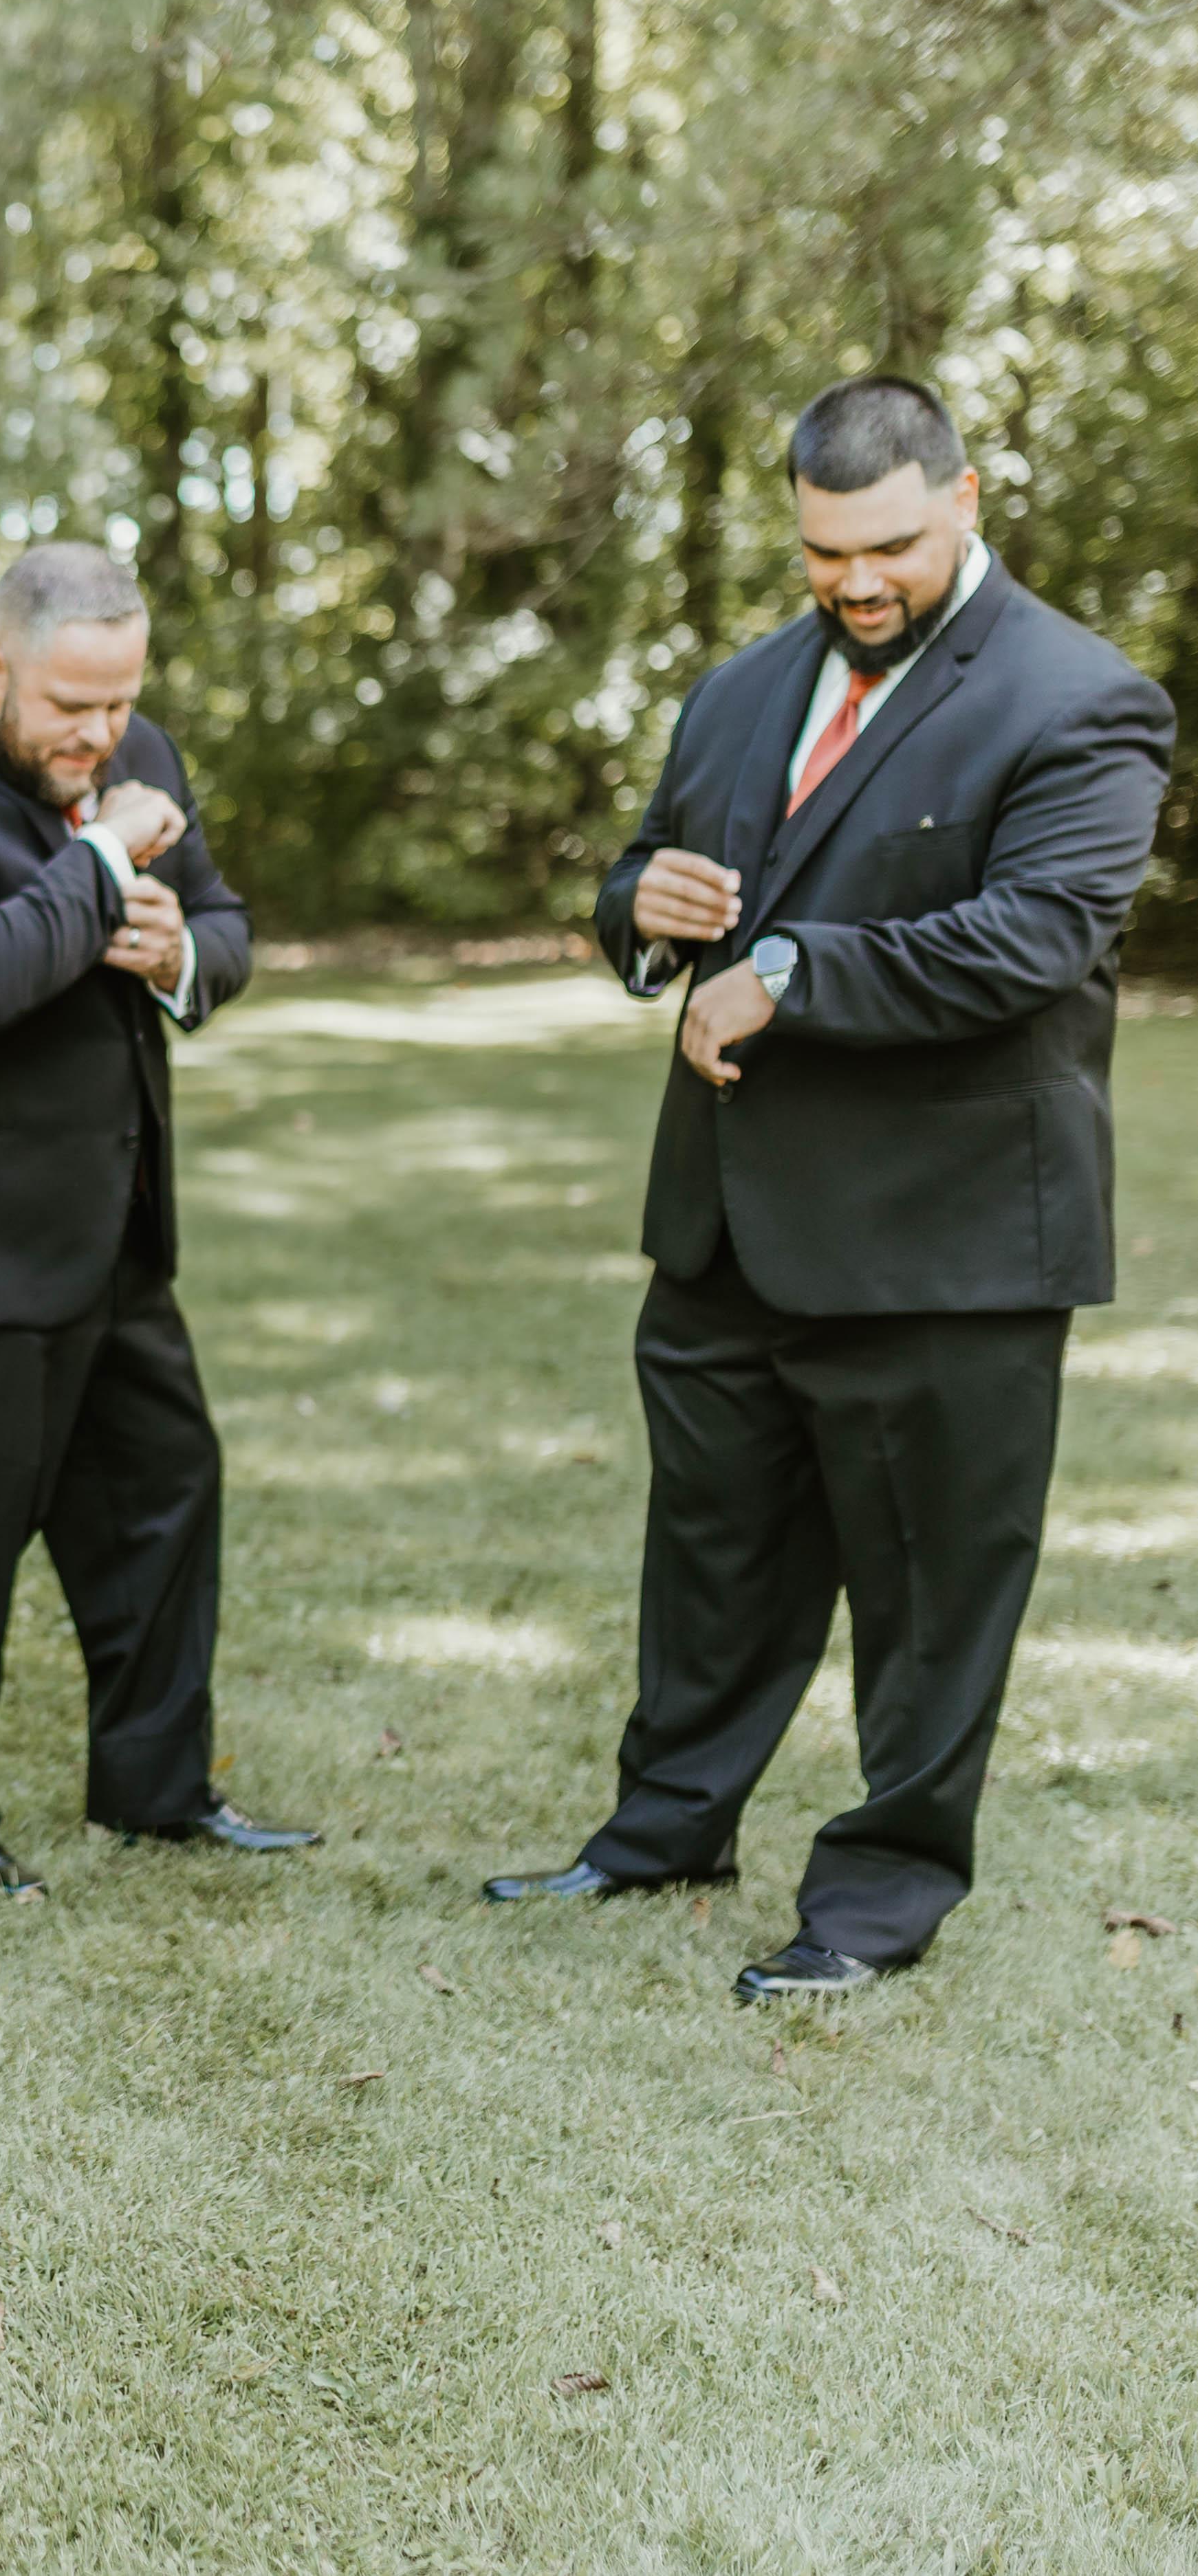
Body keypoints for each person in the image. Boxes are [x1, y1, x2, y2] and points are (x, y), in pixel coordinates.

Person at [488, 375, 1175, 2001]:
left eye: (888, 548)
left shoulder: (1083, 698)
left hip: (945, 1238)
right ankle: (665, 1829)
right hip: (725, 1226)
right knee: (708, 1559)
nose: (855, 582)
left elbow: (1031, 938)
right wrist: (640, 909)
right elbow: (648, 873)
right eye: (822, 552)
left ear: (965, 499)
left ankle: (876, 1900)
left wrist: (786, 970)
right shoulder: (740, 689)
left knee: (931, 1595)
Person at [0, 544, 314, 1900]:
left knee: (167, 1486)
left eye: (119, 702)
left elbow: (223, 927)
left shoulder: (137, 753)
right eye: (69, 705)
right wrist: (104, 857)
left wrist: (176, 956)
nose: (100, 735)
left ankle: (156, 1789)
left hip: (117, 1223)